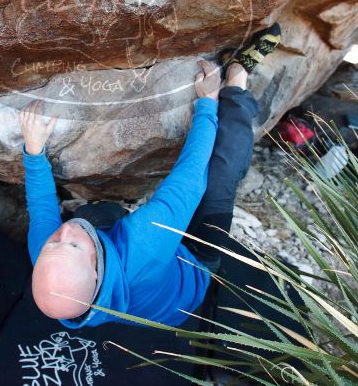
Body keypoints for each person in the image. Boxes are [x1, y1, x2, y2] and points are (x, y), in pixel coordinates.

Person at [20, 24, 281, 328]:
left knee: (89, 216)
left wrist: (33, 149)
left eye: (53, 243)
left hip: (140, 282)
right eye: (73, 245)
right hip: (193, 268)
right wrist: (207, 104)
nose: (64, 232)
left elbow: (41, 206)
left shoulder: (51, 260)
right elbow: (189, 179)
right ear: (95, 270)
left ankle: (108, 216)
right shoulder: (143, 242)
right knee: (223, 167)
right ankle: (238, 76)